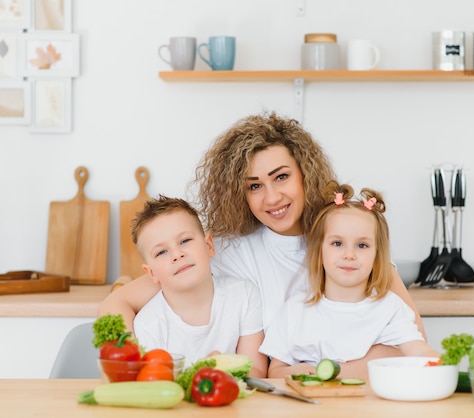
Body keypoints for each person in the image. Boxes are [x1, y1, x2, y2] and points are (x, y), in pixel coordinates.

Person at [99, 112, 427, 372]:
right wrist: (129, 367)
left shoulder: (346, 241)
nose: (271, 197)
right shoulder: (226, 250)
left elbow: (413, 343)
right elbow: (117, 304)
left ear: (305, 175)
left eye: (281, 177)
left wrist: (334, 372)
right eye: (254, 186)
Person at [260, 182, 439, 378]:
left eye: (362, 245)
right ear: (319, 253)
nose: (349, 254)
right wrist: (295, 371)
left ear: (377, 257)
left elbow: (418, 350)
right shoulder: (294, 310)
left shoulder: (391, 309)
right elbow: (275, 371)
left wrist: (438, 363)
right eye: (337, 243)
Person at [130, 195, 267, 377]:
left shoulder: (245, 296)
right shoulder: (148, 324)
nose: (177, 254)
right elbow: (156, 382)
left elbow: (256, 370)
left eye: (185, 241)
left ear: (209, 245)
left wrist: (223, 374)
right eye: (162, 251)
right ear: (151, 273)